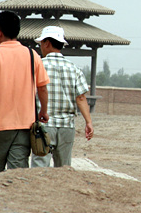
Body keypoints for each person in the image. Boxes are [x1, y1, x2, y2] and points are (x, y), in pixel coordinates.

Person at [0, 10, 50, 174]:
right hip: (25, 125)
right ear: (18, 31)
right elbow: (42, 87)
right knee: (18, 172)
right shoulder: (32, 55)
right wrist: (43, 111)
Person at [31, 26, 94, 168]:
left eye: (41, 43)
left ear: (47, 43)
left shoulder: (38, 66)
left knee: (39, 167)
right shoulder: (74, 68)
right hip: (67, 126)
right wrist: (88, 122)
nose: (40, 46)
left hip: (44, 124)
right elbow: (81, 98)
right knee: (64, 168)